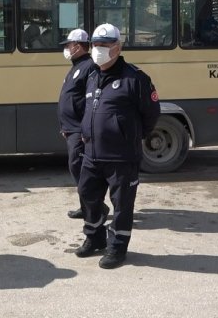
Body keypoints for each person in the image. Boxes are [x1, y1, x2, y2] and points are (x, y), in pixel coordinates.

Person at [74, 23, 160, 269]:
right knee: (87, 195)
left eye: (104, 45)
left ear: (117, 47)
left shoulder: (135, 78)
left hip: (121, 157)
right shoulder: (92, 76)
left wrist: (132, 137)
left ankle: (117, 248)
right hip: (91, 153)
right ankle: (95, 238)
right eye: (95, 45)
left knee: (122, 205)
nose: (98, 49)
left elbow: (151, 113)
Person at [57, 28, 97, 219]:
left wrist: (83, 128)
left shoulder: (89, 66)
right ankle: (86, 205)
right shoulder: (76, 65)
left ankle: (94, 207)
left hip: (79, 130)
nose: (66, 48)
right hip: (71, 128)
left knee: (80, 167)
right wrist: (65, 126)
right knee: (76, 168)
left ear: (79, 46)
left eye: (69, 45)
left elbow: (89, 102)